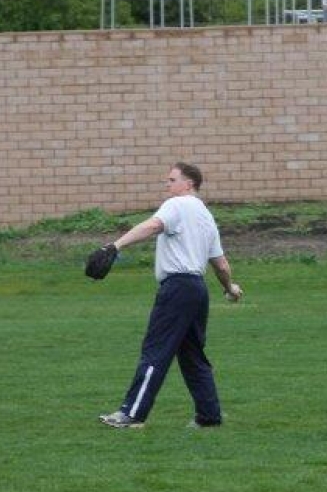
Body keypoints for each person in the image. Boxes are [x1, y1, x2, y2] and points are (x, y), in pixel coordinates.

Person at [98, 162, 242, 429]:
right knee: (193, 355)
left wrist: (114, 246)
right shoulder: (206, 216)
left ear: (189, 184)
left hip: (177, 289)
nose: (167, 184)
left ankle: (132, 415)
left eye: (172, 179)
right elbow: (221, 264)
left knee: (156, 350)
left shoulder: (177, 205)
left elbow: (152, 226)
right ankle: (209, 417)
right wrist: (229, 288)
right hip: (197, 290)